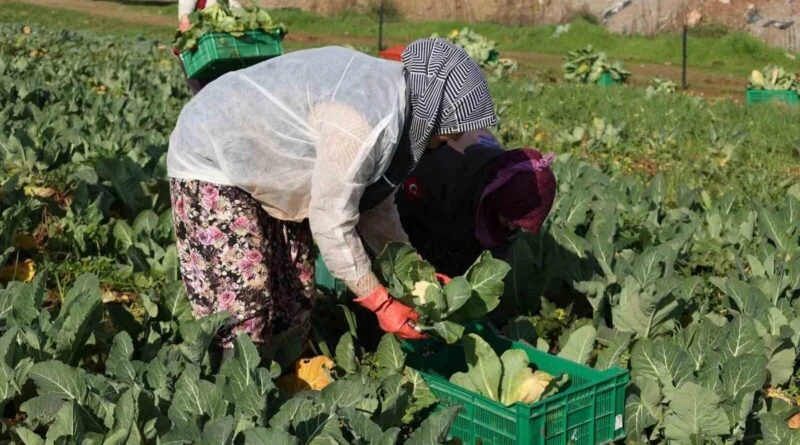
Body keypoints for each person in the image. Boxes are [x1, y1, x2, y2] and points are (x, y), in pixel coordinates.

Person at [166, 38, 498, 356]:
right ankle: (233, 397)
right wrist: (380, 303)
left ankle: (277, 383)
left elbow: (374, 206)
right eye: (445, 135)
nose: (441, 144)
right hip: (211, 151)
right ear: (431, 112)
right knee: (245, 305)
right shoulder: (362, 121)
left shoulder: (398, 103)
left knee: (293, 297)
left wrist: (414, 271)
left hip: (266, 160)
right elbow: (331, 223)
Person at [396, 129, 556, 277]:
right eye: (511, 219)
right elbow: (397, 220)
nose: (513, 227)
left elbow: (495, 257)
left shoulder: (505, 190)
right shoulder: (444, 172)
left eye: (518, 224)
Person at [175, 0, 243, 95]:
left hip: (221, 48)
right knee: (203, 94)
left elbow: (236, 9)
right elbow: (185, 14)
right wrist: (185, 18)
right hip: (198, 51)